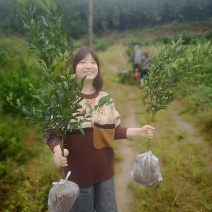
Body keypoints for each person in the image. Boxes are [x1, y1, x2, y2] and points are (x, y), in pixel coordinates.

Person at [46, 47, 155, 212]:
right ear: (73, 68)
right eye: (82, 62)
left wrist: (138, 131)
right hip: (78, 177)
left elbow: (113, 130)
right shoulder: (64, 99)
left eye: (93, 62)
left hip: (105, 173)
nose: (89, 65)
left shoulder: (104, 98)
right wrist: (56, 151)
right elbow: (51, 133)